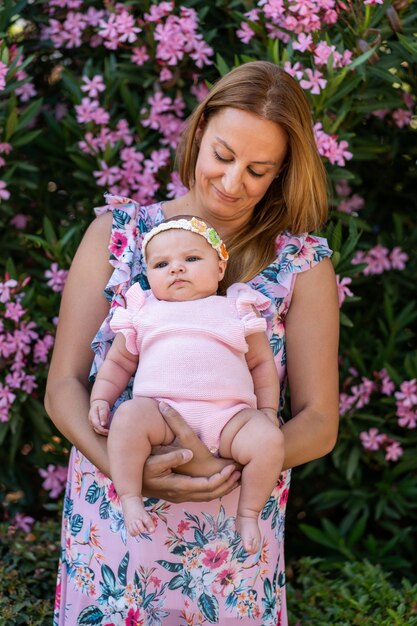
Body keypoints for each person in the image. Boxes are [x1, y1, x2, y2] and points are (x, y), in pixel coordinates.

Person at [45, 60, 339, 625]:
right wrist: (122, 467)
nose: (232, 185)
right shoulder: (117, 235)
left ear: (281, 173)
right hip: (115, 531)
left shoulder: (300, 265)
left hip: (231, 546)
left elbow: (320, 422)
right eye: (224, 157)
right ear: (199, 131)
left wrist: (215, 462)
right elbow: (63, 387)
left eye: (258, 170)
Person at [88, 216, 283, 554]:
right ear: (148, 275)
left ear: (220, 267)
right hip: (160, 415)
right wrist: (101, 398)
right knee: (129, 416)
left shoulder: (236, 308)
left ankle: (248, 513)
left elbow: (261, 363)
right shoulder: (144, 310)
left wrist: (266, 410)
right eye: (162, 264)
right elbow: (118, 362)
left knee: (269, 439)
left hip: (229, 419)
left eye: (191, 259)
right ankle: (131, 496)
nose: (176, 269)